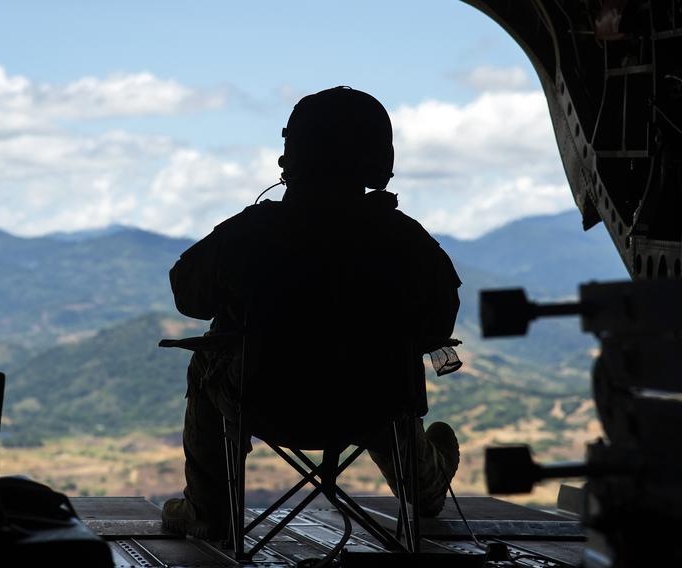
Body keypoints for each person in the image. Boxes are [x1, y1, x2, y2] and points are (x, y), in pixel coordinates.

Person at [161, 86, 462, 540]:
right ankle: (425, 484)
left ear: (291, 156)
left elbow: (188, 297)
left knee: (207, 359)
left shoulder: (248, 234)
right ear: (378, 158)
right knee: (391, 376)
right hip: (369, 409)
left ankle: (208, 511)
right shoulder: (409, 242)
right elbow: (437, 326)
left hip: (266, 406)